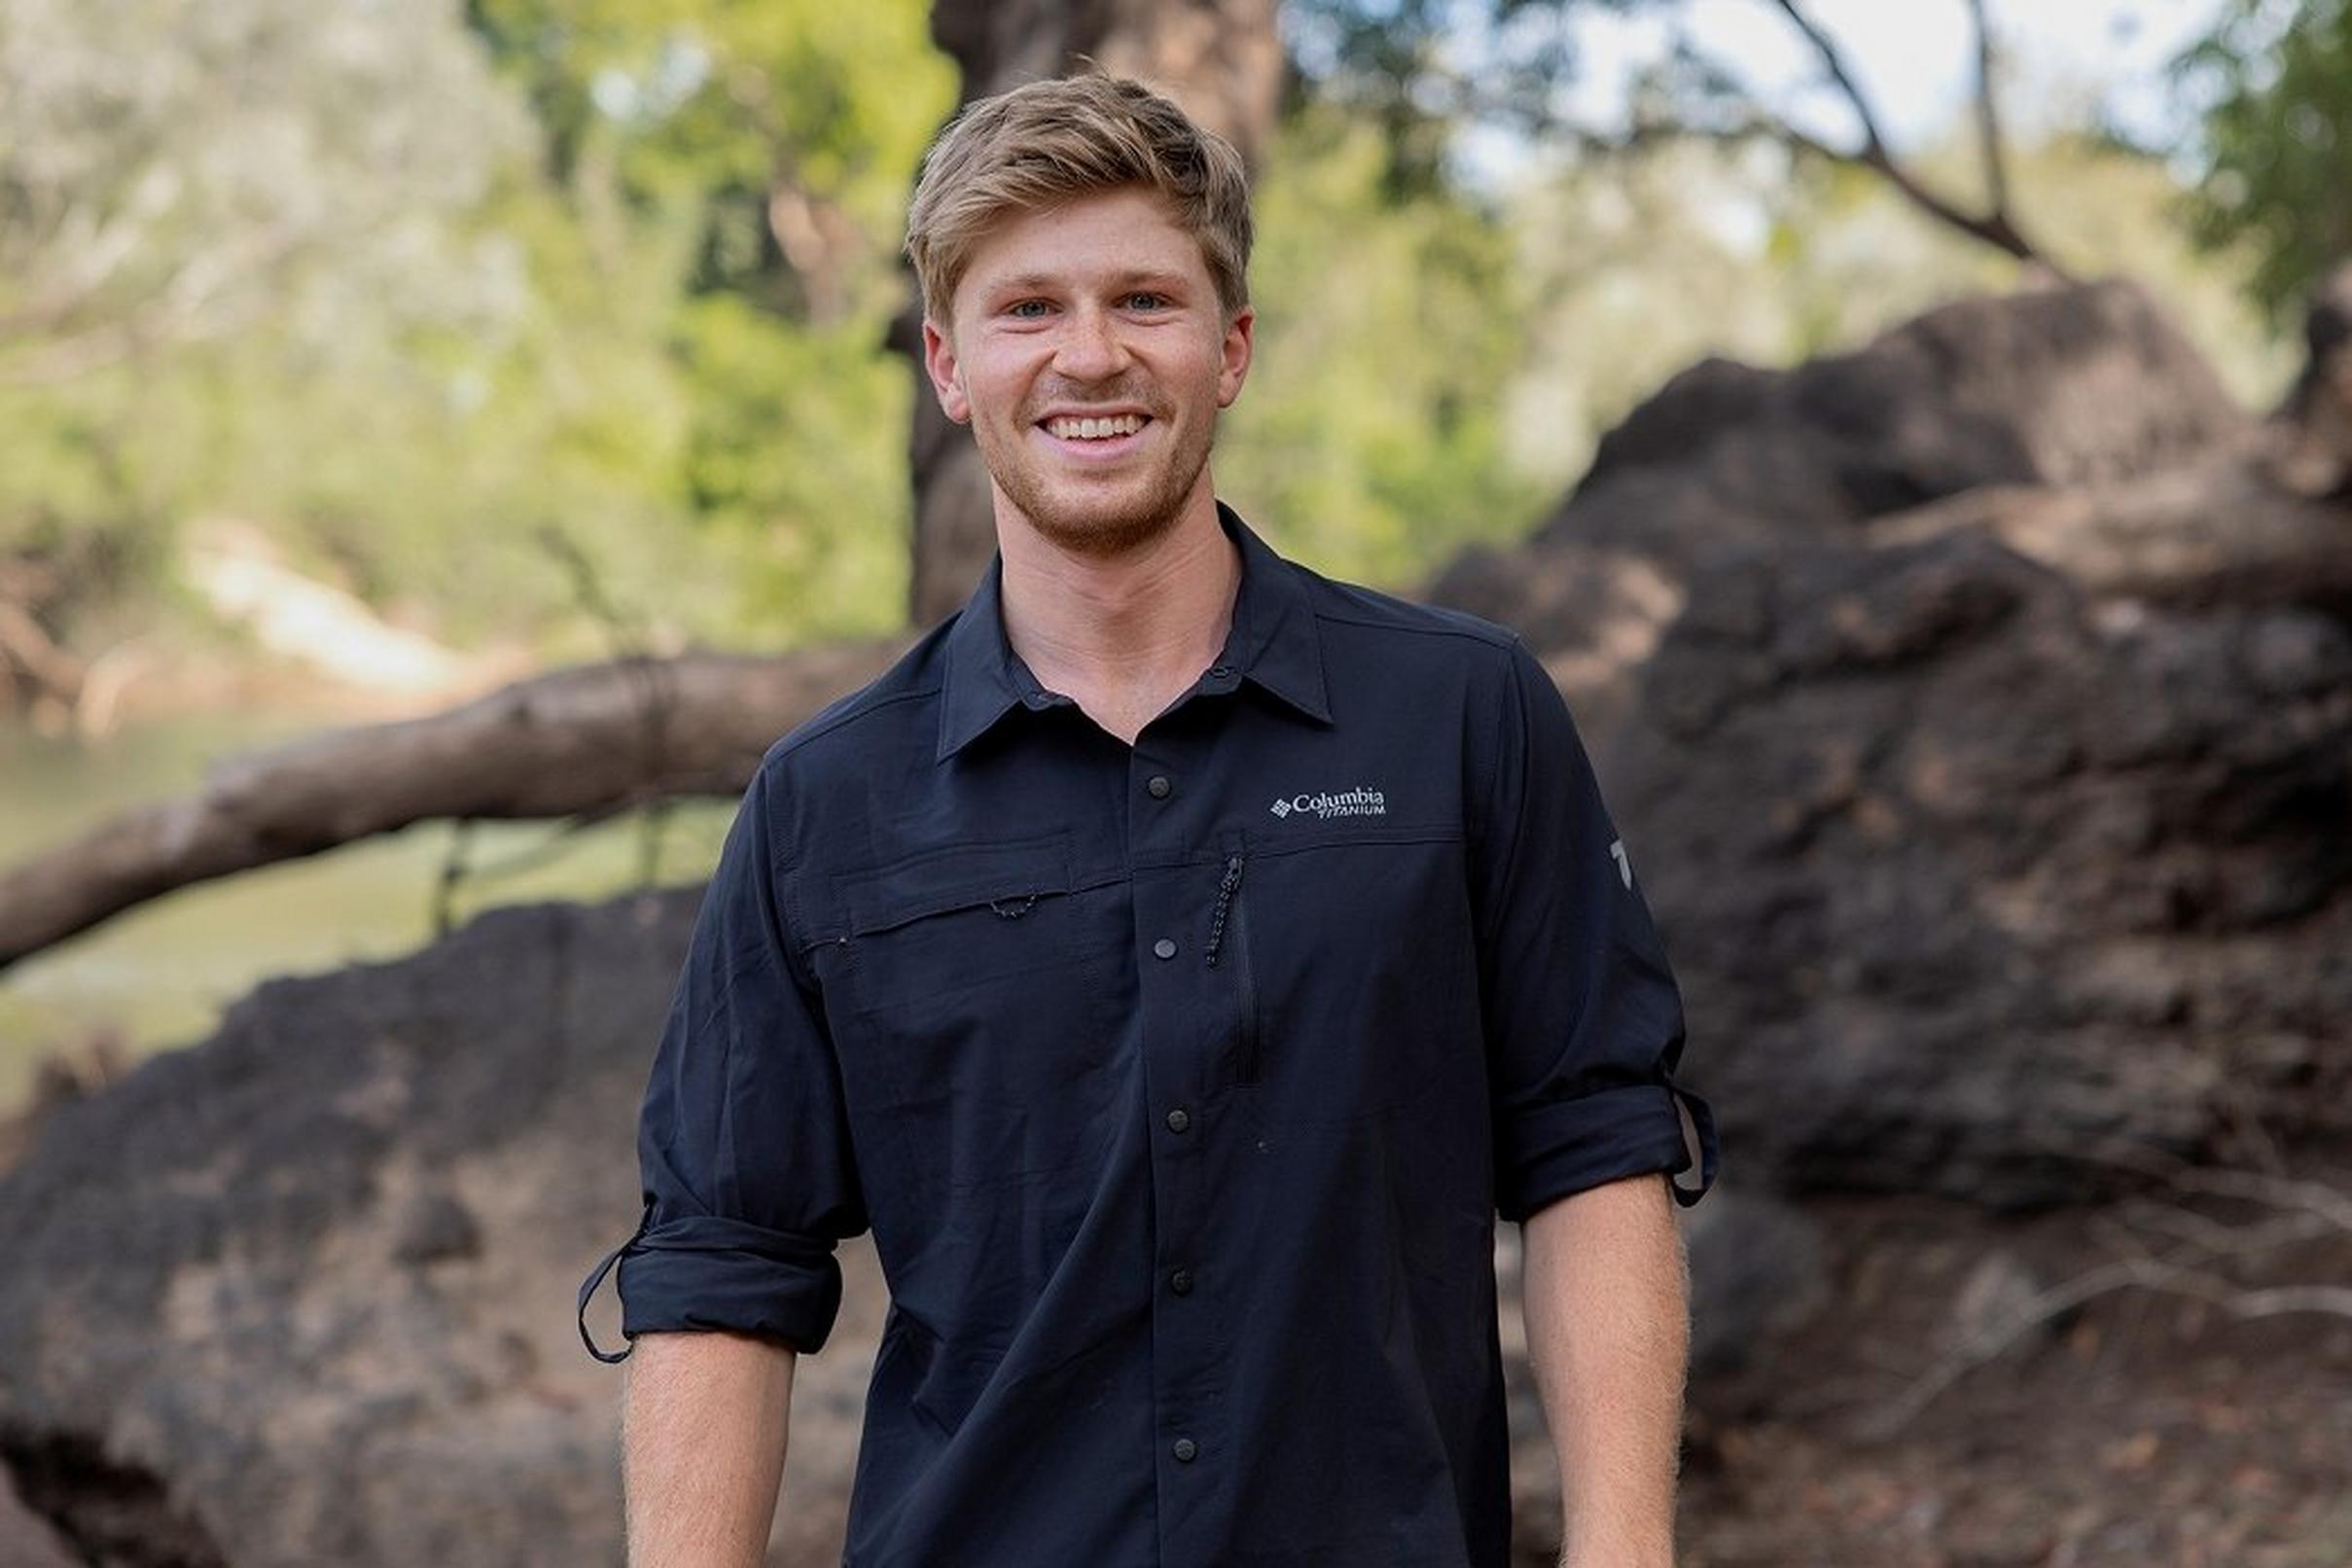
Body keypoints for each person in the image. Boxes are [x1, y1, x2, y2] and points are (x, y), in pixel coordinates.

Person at [577, 70, 1719, 1568]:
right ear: (946, 363)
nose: (1091, 357)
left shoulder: (1463, 716)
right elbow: (723, 1267)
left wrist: (1622, 1552)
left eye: (1144, 301)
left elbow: (1592, 1148)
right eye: (1028, 310)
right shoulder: (824, 803)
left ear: (1230, 348)